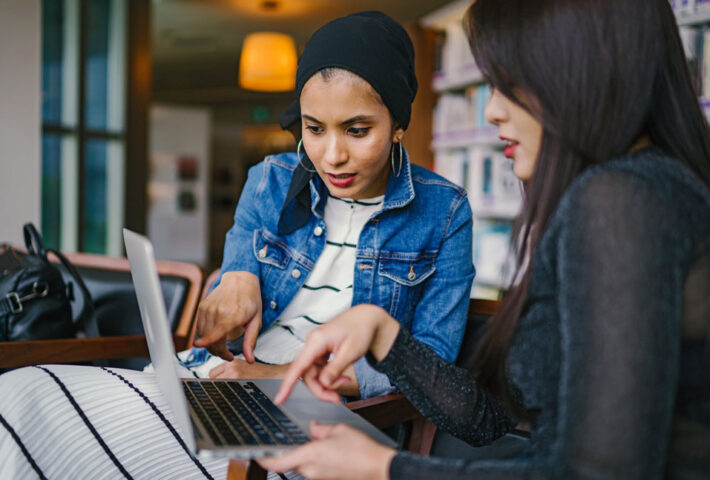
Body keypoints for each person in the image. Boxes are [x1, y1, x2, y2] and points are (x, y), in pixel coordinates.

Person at [0, 11, 474, 479]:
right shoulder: (270, 179)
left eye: (356, 130)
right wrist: (237, 274)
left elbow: (428, 368)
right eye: (313, 128)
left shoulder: (445, 212)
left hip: (327, 418)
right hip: (220, 380)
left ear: (398, 124)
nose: (332, 155)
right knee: (20, 395)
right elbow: (235, 280)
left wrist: (285, 379)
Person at [259, 0, 710, 478]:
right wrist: (383, 333)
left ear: (581, 70)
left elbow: (598, 473)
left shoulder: (620, 201)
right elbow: (488, 420)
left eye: (508, 83)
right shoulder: (646, 189)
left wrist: (383, 469)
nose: (492, 110)